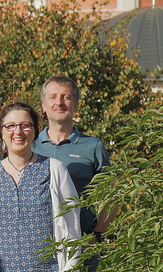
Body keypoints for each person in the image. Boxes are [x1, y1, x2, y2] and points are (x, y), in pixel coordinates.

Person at [0, 102, 81, 272]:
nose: (18, 132)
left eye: (25, 125)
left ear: (35, 131)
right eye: (10, 126)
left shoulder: (54, 169)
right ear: (1, 132)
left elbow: (72, 226)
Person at [33, 75, 111, 244]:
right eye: (53, 97)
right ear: (44, 106)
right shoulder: (31, 147)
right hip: (39, 247)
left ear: (75, 105)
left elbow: (112, 196)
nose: (59, 102)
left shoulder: (93, 146)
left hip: (83, 246)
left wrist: (97, 236)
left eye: (66, 97)